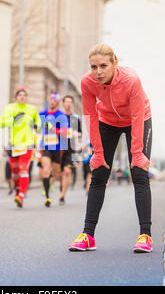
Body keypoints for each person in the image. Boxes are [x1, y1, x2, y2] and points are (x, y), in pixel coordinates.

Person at [69, 44, 153, 253]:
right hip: (107, 121)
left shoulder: (131, 80)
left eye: (103, 66)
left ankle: (145, 235)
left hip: (138, 119)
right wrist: (97, 152)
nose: (98, 72)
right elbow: (91, 116)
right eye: (94, 67)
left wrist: (137, 154)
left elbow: (136, 117)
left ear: (115, 63)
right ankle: (88, 235)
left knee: (138, 172)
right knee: (98, 173)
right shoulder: (87, 82)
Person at [0, 87, 40, 208]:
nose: (22, 97)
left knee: (23, 170)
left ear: (26, 97)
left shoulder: (32, 109)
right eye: (20, 95)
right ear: (16, 97)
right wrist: (14, 119)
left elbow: (38, 124)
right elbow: (2, 123)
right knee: (15, 173)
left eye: (24, 95)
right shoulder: (10, 108)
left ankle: (21, 195)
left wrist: (36, 125)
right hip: (13, 145)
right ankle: (18, 193)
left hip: (27, 145)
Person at [39, 92, 69, 207]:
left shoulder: (61, 115)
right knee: (46, 169)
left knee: (56, 174)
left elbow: (65, 132)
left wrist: (53, 129)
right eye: (51, 99)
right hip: (45, 147)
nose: (52, 102)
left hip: (57, 148)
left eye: (54, 100)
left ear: (57, 102)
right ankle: (47, 197)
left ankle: (50, 182)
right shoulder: (42, 114)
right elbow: (34, 128)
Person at [59, 95, 82, 205]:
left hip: (70, 149)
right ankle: (61, 184)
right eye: (66, 102)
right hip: (58, 148)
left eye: (70, 102)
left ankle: (62, 196)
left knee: (67, 172)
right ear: (63, 103)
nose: (68, 104)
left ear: (72, 104)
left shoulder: (76, 118)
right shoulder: (58, 116)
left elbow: (80, 133)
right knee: (58, 173)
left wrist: (75, 133)